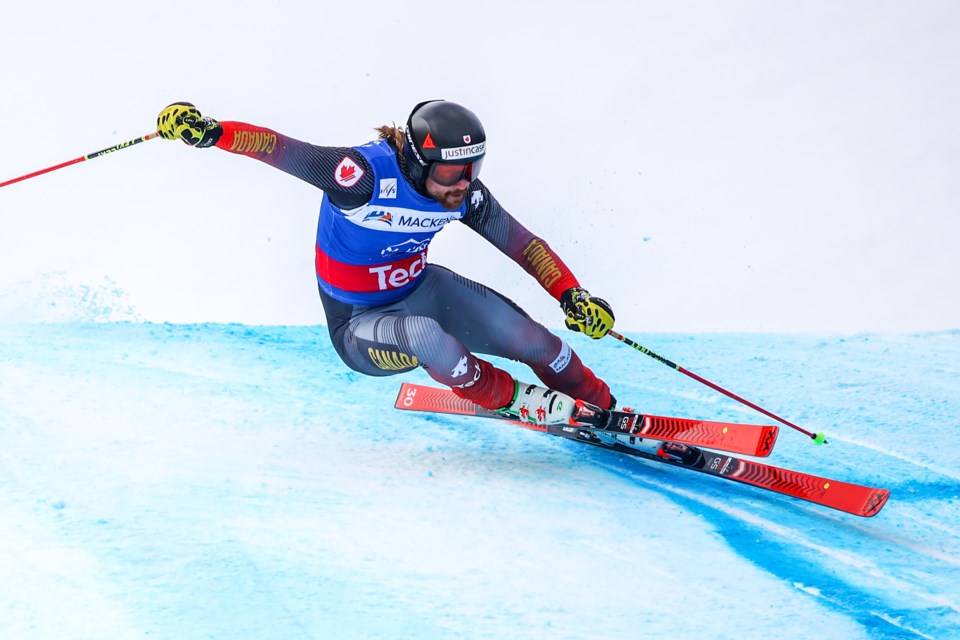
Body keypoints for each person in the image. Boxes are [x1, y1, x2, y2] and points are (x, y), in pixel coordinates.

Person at [157, 100, 616, 424]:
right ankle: (512, 398)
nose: (464, 183)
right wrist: (213, 133)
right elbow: (280, 148)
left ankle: (607, 407)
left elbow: (525, 245)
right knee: (425, 337)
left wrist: (573, 295)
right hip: (360, 326)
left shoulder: (465, 195)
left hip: (423, 291)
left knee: (538, 342)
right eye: (451, 172)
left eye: (473, 168)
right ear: (418, 163)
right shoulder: (362, 179)